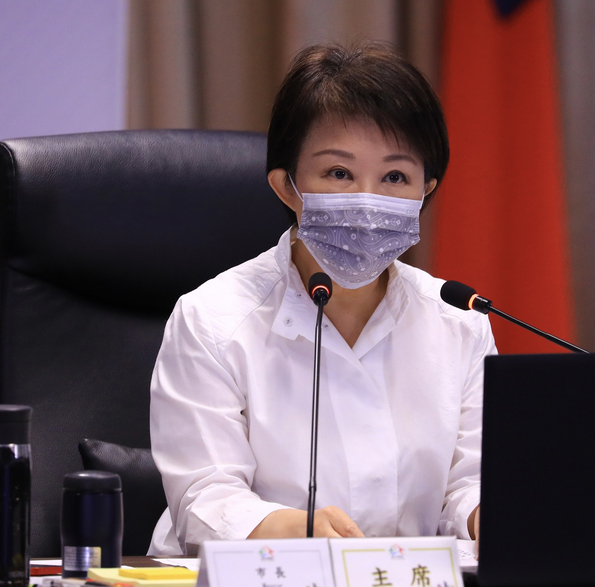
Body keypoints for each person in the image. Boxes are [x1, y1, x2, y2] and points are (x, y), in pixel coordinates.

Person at [148, 42, 496, 556]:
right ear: (287, 187)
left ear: (427, 189)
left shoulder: (460, 321)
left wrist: (492, 514)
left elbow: (467, 484)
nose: (368, 200)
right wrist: (291, 528)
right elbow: (205, 499)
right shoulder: (212, 320)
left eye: (395, 177)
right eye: (339, 173)